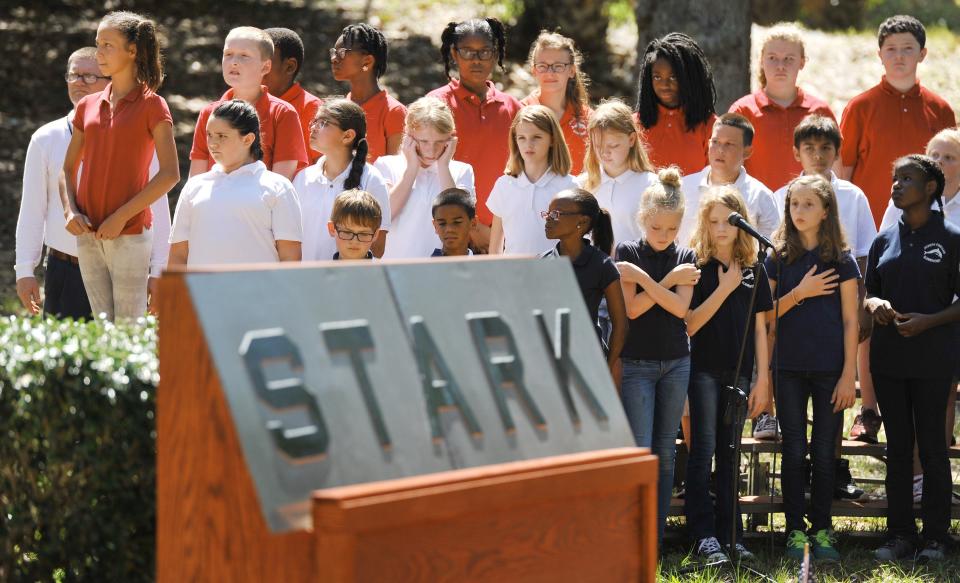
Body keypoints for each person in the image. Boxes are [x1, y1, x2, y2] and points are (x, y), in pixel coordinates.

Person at [17, 47, 169, 319]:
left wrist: (158, 270)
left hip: (123, 266)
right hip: (66, 270)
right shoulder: (45, 138)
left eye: (89, 77)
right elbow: (32, 209)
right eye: (73, 75)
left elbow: (157, 203)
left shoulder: (140, 131)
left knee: (121, 354)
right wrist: (25, 269)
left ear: (111, 80)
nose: (78, 83)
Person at [867, 155, 960, 563]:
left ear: (931, 189)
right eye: (895, 178)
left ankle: (937, 536)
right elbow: (868, 292)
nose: (897, 185)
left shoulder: (954, 238)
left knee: (934, 449)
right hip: (888, 361)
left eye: (907, 179)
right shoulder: (883, 240)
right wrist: (876, 304)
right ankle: (900, 534)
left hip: (935, 359)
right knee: (899, 448)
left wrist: (929, 322)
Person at [60, 11, 180, 321]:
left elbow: (170, 174)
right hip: (88, 233)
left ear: (133, 50)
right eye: (98, 44)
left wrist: (120, 217)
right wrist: (70, 210)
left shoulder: (153, 105)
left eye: (108, 46)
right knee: (102, 327)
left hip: (129, 233)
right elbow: (67, 169)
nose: (99, 53)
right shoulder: (87, 105)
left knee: (128, 328)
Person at [765, 174, 859, 562]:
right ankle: (793, 532)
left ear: (825, 212)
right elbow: (766, 315)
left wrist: (848, 375)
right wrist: (799, 293)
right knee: (794, 449)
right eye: (794, 204)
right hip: (786, 368)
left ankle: (822, 531)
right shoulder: (777, 256)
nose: (799, 211)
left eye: (808, 204)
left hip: (828, 371)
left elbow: (852, 321)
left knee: (823, 454)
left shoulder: (842, 260)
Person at [773, 115, 879, 459]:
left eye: (825, 148)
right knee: (793, 417)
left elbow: (863, 255)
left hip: (837, 312)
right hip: (790, 317)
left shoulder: (852, 196)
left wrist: (862, 306)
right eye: (809, 148)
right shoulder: (781, 196)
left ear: (837, 152)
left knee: (830, 402)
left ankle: (831, 470)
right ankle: (799, 477)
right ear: (795, 152)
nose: (817, 155)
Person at [684, 186, 772, 563]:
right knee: (703, 451)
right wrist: (723, 289)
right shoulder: (697, 266)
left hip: (738, 374)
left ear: (741, 225)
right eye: (713, 221)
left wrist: (762, 379)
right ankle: (703, 536)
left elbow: (760, 328)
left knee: (730, 451)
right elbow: (689, 324)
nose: (721, 228)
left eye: (728, 221)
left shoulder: (755, 268)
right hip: (703, 371)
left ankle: (730, 533)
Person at [615, 166, 699, 546]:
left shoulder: (687, 254)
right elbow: (632, 310)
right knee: (642, 449)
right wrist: (666, 281)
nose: (664, 237)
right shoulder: (627, 251)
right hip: (638, 364)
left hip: (676, 362)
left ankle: (655, 535)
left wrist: (649, 281)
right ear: (642, 221)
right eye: (656, 229)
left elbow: (681, 310)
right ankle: (633, 533)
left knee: (666, 451)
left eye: (671, 229)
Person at [838, 15, 955, 226]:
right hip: (868, 225)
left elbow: (952, 173)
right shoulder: (859, 107)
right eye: (891, 49)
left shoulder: (941, 109)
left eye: (908, 48)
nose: (899, 56)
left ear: (922, 54)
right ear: (879, 55)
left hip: (926, 226)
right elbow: (842, 173)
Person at [428, 18, 523, 252]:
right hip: (449, 235)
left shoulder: (514, 108)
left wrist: (496, 232)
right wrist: (473, 227)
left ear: (495, 53)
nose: (476, 60)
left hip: (505, 234)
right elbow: (427, 169)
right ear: (454, 53)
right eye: (468, 52)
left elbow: (522, 171)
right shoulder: (435, 104)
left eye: (484, 52)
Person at [169, 100, 302, 266]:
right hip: (202, 292)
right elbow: (178, 255)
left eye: (222, 136)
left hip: (259, 291)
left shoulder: (279, 187)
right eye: (209, 135)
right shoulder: (193, 187)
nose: (212, 143)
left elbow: (290, 257)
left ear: (248, 140)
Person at [190, 26, 307, 181]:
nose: (234, 62)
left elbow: (281, 184)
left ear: (265, 66)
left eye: (244, 56)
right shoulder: (209, 113)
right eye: (228, 54)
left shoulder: (283, 113)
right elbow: (196, 181)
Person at [729, 24, 835, 192]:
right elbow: (728, 168)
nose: (780, 65)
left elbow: (835, 167)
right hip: (756, 211)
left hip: (807, 211)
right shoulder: (743, 111)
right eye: (772, 58)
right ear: (761, 60)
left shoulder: (819, 111)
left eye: (789, 59)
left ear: (802, 62)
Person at [376, 97, 474, 259]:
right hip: (395, 266)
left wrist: (443, 166)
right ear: (409, 136)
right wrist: (412, 169)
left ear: (450, 139)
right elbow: (383, 217)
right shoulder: (386, 166)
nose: (431, 150)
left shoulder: (462, 171)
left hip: (442, 269)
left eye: (439, 142)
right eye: (424, 141)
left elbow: (459, 216)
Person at [294, 98, 391, 261]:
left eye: (324, 123)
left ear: (347, 136)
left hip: (350, 282)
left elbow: (378, 247)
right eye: (315, 121)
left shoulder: (372, 179)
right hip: (306, 281)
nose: (313, 127)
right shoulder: (302, 178)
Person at [541, 188, 627, 371]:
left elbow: (620, 325)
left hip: (588, 365)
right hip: (548, 365)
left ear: (582, 221)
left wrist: (607, 367)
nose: (548, 218)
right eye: (548, 213)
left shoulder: (602, 265)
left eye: (556, 214)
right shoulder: (541, 262)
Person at [679, 113, 780, 248]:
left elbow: (771, 249)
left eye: (729, 144)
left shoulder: (761, 196)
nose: (720, 150)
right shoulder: (683, 188)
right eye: (715, 142)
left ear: (747, 152)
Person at [487, 105, 576, 256]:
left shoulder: (570, 186)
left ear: (553, 140)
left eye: (537, 137)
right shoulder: (503, 185)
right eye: (521, 138)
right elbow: (495, 244)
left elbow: (578, 242)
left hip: (555, 275)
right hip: (514, 275)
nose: (528, 144)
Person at [634, 32, 717, 176]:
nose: (664, 84)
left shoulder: (711, 126)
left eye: (673, 77)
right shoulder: (633, 125)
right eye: (657, 77)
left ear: (690, 78)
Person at [577, 99, 656, 248]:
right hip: (593, 269)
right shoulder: (581, 185)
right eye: (598, 145)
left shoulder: (651, 185)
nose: (604, 152)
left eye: (613, 145)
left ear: (631, 139)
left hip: (634, 269)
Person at [330, 23, 406, 163]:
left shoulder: (394, 112)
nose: (334, 58)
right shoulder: (336, 110)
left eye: (342, 53)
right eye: (334, 52)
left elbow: (396, 171)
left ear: (367, 61)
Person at [521, 31, 592, 175]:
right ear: (534, 71)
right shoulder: (519, 112)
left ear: (572, 70)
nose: (550, 72)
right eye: (542, 66)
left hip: (576, 196)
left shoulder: (589, 118)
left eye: (558, 66)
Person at [263, 27, 323, 164]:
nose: (257, 67)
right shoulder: (244, 102)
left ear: (289, 67)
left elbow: (326, 166)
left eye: (265, 61)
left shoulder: (311, 108)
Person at [328, 189, 384, 260]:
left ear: (375, 234)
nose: (355, 241)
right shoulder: (320, 271)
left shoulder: (384, 271)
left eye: (363, 234)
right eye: (347, 232)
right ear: (332, 229)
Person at [431, 188, 476, 257]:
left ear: (473, 223)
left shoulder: (483, 266)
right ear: (435, 226)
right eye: (442, 223)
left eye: (457, 222)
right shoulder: (427, 266)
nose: (449, 229)